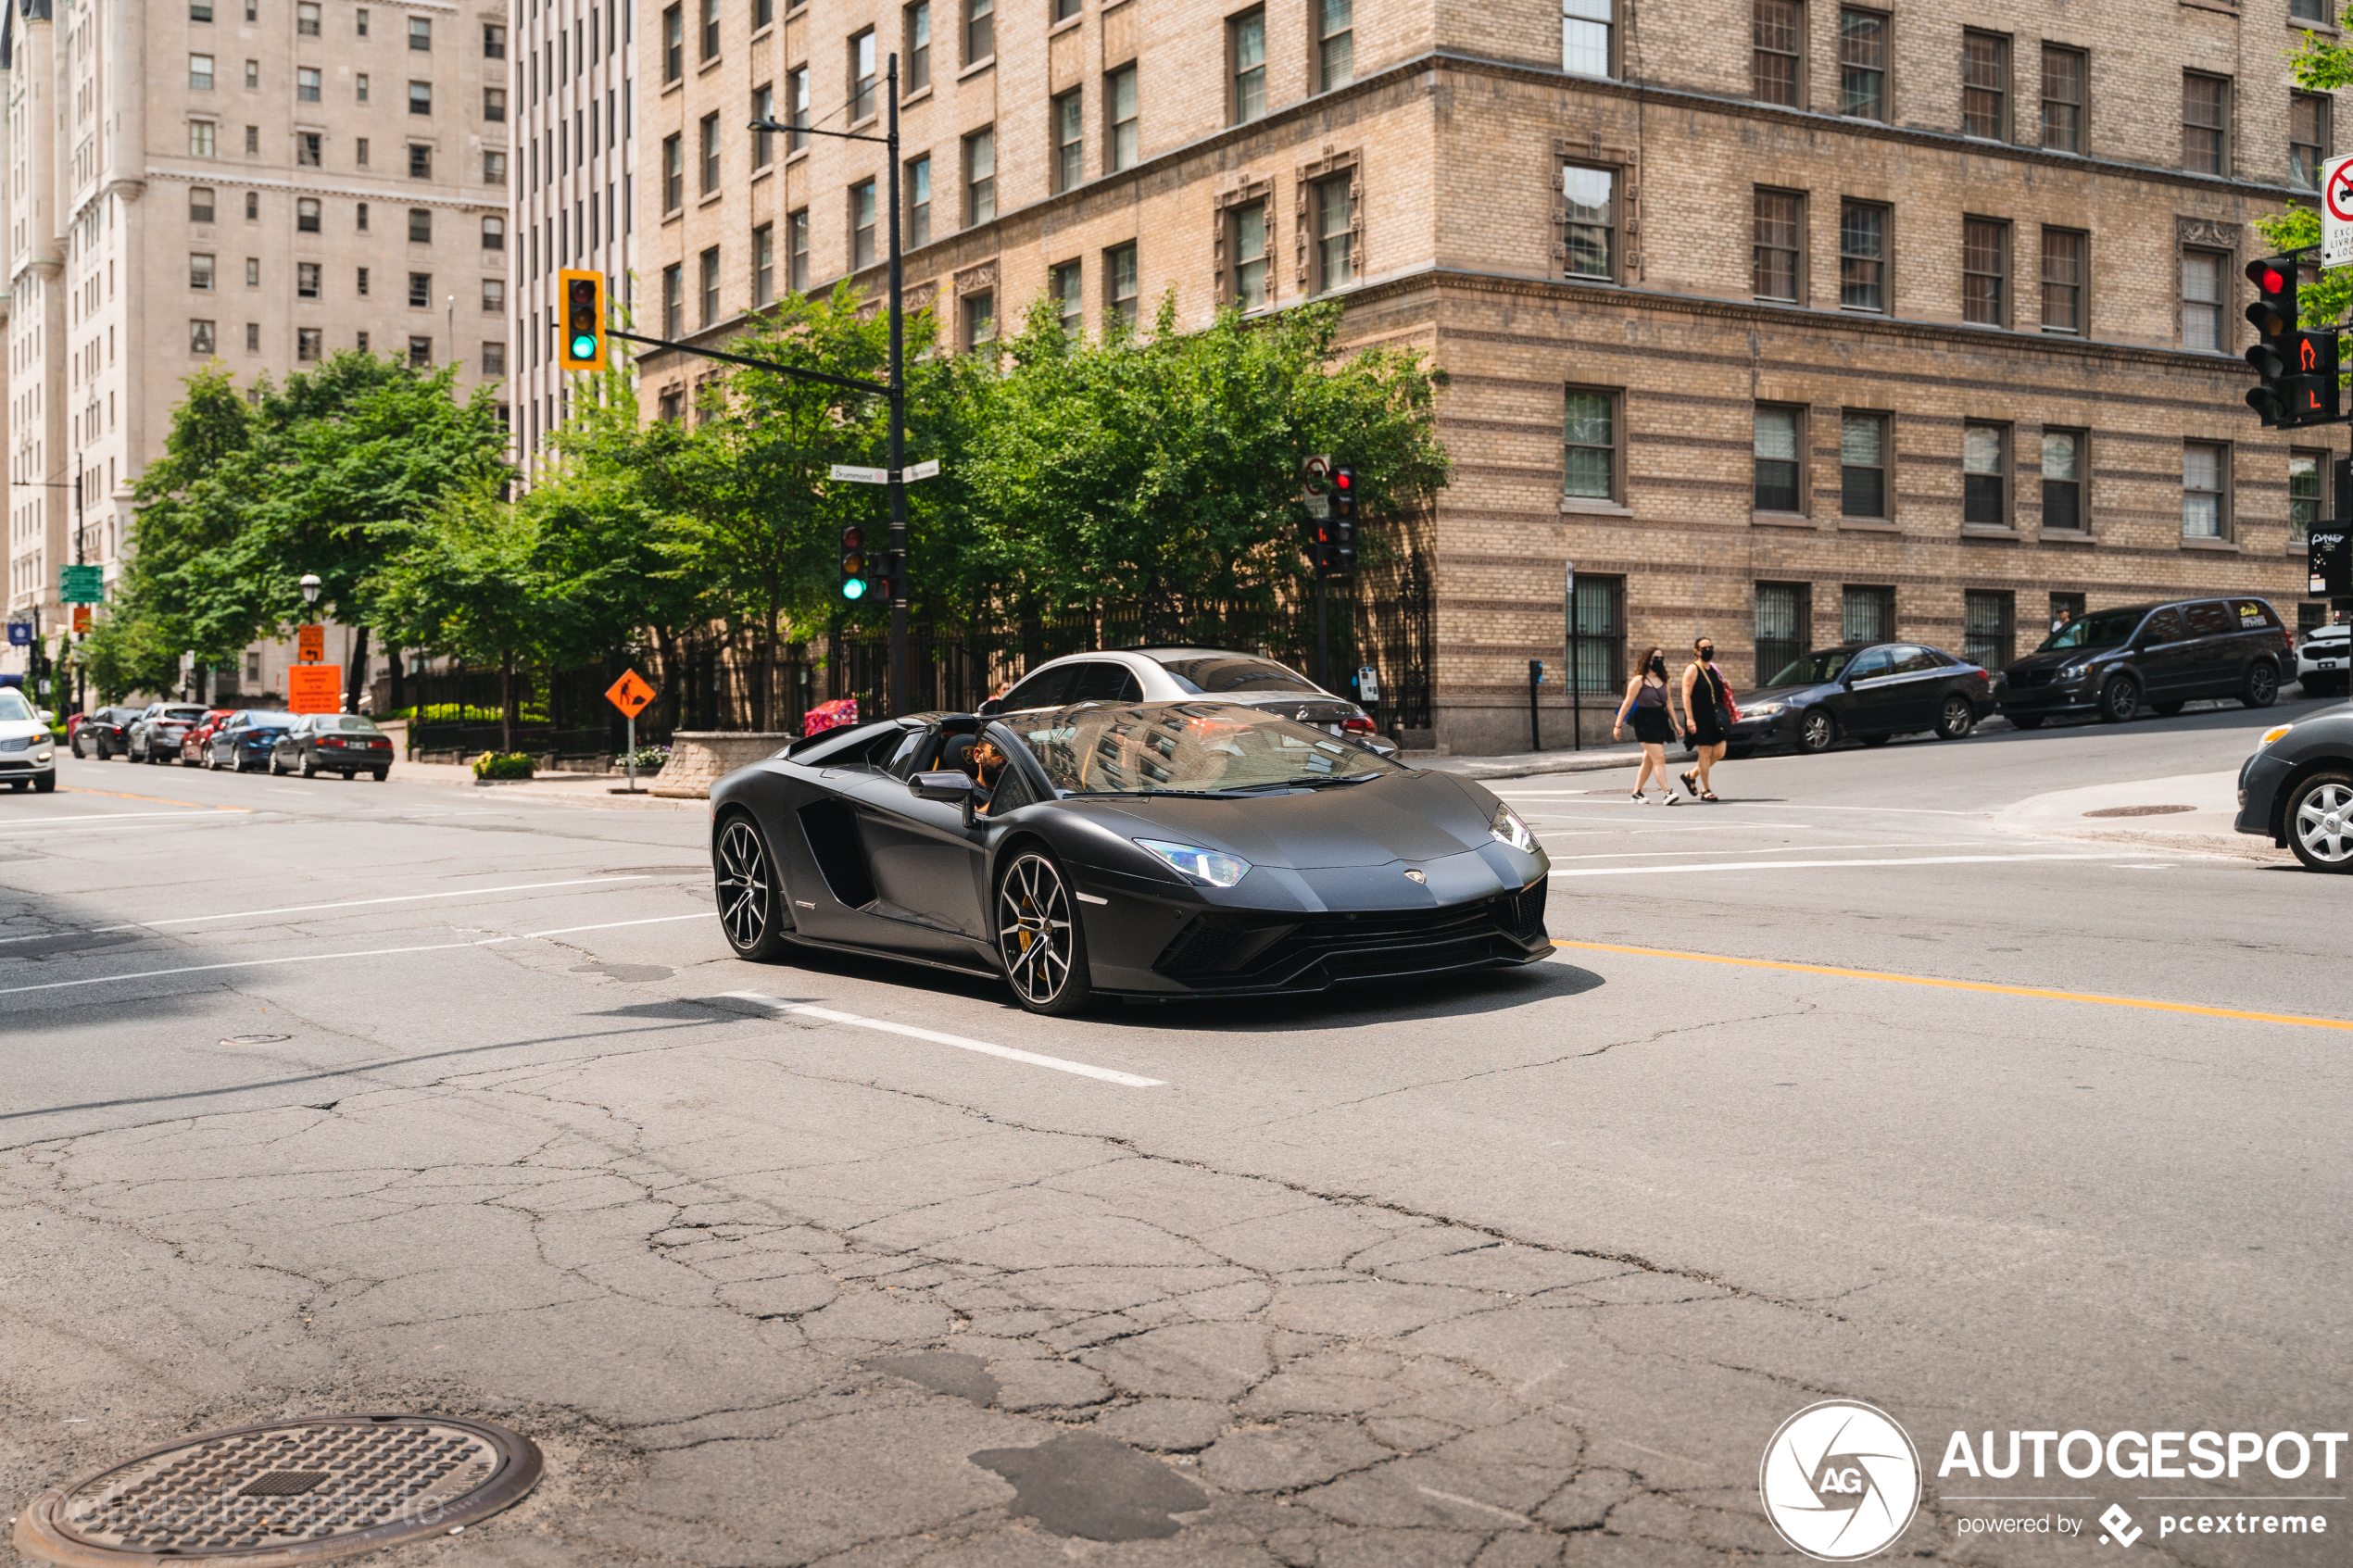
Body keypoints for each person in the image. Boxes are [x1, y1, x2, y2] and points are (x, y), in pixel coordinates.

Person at [1611, 646, 1683, 804]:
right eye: (1655, 658)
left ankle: (1636, 793)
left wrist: (1676, 723)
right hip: (1644, 721)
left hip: (1660, 719)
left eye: (1660, 658)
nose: (1658, 661)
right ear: (1647, 660)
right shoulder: (1639, 680)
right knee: (1659, 757)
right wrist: (1618, 725)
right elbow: (1627, 703)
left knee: (1649, 759)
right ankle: (1667, 792)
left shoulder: (1664, 680)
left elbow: (1669, 702)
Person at [1679, 635, 1732, 801]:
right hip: (1700, 717)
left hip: (1715, 717)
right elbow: (1686, 694)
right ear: (1696, 651)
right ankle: (1705, 789)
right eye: (1704, 648)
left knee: (1720, 752)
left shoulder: (1714, 668)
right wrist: (1689, 719)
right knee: (1705, 753)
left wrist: (1726, 685)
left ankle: (1691, 775)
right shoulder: (1693, 669)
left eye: (1710, 647)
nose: (1708, 650)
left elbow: (1717, 690)